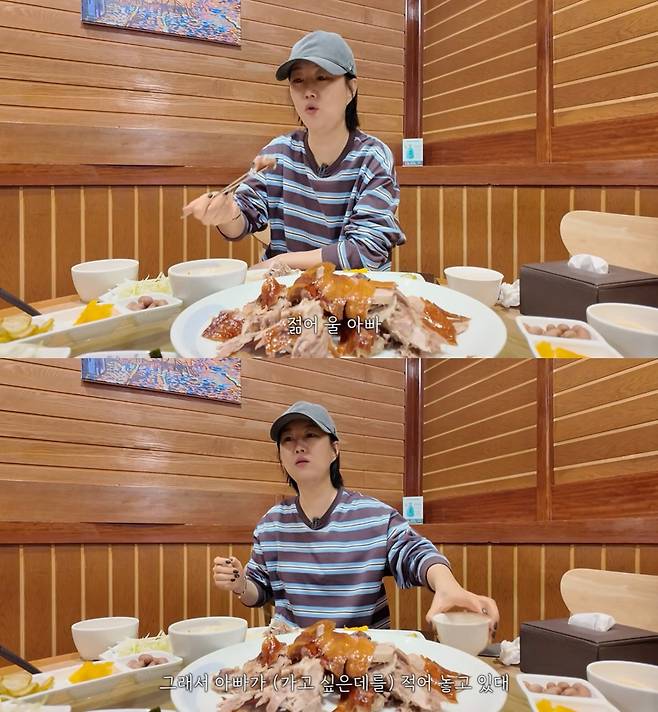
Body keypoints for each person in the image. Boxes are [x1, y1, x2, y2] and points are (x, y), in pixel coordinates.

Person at [212, 402, 499, 634]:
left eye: (310, 435)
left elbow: (414, 552)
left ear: (334, 450)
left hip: (363, 659)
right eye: (287, 440)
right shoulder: (271, 524)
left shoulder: (374, 516)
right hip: (294, 659)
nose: (298, 446)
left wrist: (447, 584)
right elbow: (259, 591)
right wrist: (240, 584)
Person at [182, 31, 405, 271]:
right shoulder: (278, 154)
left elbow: (366, 251)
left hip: (356, 290)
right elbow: (243, 219)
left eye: (322, 77)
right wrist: (227, 214)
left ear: (351, 88)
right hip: (285, 290)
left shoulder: (372, 157)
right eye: (298, 80)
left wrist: (281, 261)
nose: (308, 91)